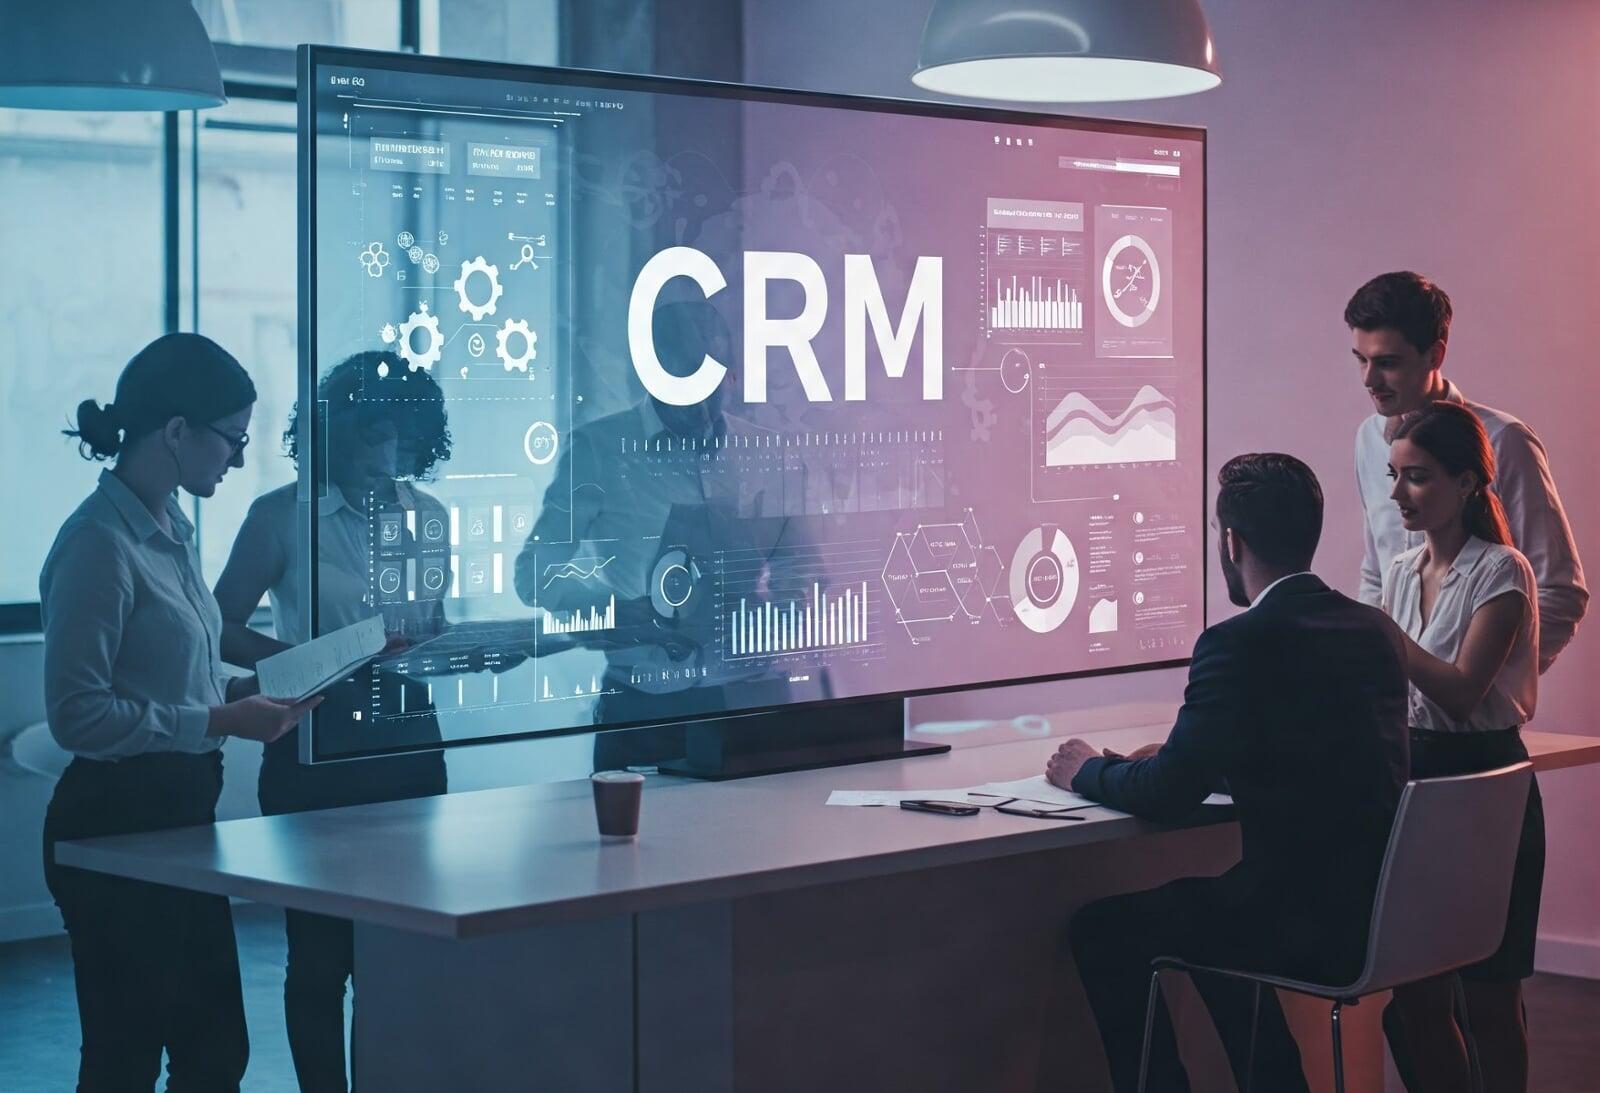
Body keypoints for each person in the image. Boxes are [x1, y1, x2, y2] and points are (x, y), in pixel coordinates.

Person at [1047, 453, 1410, 1093]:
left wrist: (1086, 771)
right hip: (1377, 917)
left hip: (1295, 925)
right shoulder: (1374, 629)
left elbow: (1167, 795)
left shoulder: (1237, 642)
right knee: (1219, 922)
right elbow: (1316, 755)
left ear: (1231, 542)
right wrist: (1197, 755)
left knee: (1104, 929)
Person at [41, 333, 316, 1092]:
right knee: (124, 1060)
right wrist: (223, 720)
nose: (238, 459)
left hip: (181, 818)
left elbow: (174, 679)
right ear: (174, 431)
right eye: (232, 439)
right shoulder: (99, 544)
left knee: (215, 1053)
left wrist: (243, 694)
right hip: (113, 825)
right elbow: (78, 715)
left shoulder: (172, 531)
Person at [214, 350, 450, 1093]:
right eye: (371, 432)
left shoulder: (430, 516)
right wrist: (308, 660)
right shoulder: (280, 515)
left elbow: (432, 622)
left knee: (400, 948)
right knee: (319, 957)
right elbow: (218, 626)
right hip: (314, 735)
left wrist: (454, 646)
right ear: (335, 432)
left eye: (401, 435)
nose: (387, 450)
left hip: (407, 737)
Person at [1379, 401, 1544, 1093]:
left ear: (1468, 481)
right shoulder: (1398, 569)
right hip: (1415, 780)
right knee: (1417, 996)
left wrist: (1381, 636)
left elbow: (1461, 692)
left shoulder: (1503, 571)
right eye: (1394, 475)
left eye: (1416, 477)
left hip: (1486, 783)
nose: (1397, 494)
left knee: (1489, 997)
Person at [1348, 270, 1586, 672]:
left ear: (1435, 355)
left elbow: (1559, 591)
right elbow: (1376, 577)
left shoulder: (1505, 440)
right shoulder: (1368, 439)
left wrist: (1483, 684)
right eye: (1361, 360)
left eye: (1387, 363)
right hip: (1392, 702)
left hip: (1476, 706)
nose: (1369, 379)